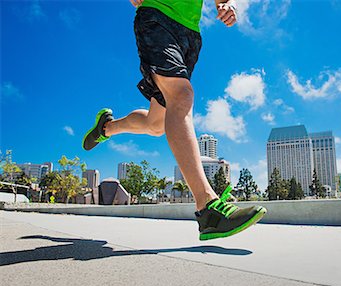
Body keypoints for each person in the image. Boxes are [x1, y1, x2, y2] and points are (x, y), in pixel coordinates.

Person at [82, 0, 266, 240]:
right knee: (182, 95)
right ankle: (207, 207)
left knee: (156, 124)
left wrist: (228, 4)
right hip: (157, 16)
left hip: (190, 34)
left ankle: (106, 127)